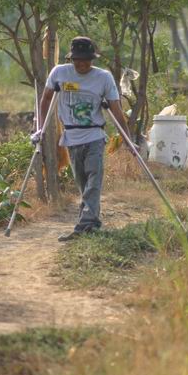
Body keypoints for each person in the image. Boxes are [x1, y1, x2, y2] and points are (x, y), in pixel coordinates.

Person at [38, 36, 132, 241]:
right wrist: (40, 128)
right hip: (71, 137)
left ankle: (87, 223)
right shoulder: (59, 73)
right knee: (83, 182)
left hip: (94, 135)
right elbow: (46, 99)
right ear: (71, 58)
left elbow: (115, 108)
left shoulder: (104, 77)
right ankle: (90, 222)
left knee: (93, 179)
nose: (82, 64)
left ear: (93, 59)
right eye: (78, 60)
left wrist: (128, 138)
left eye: (86, 60)